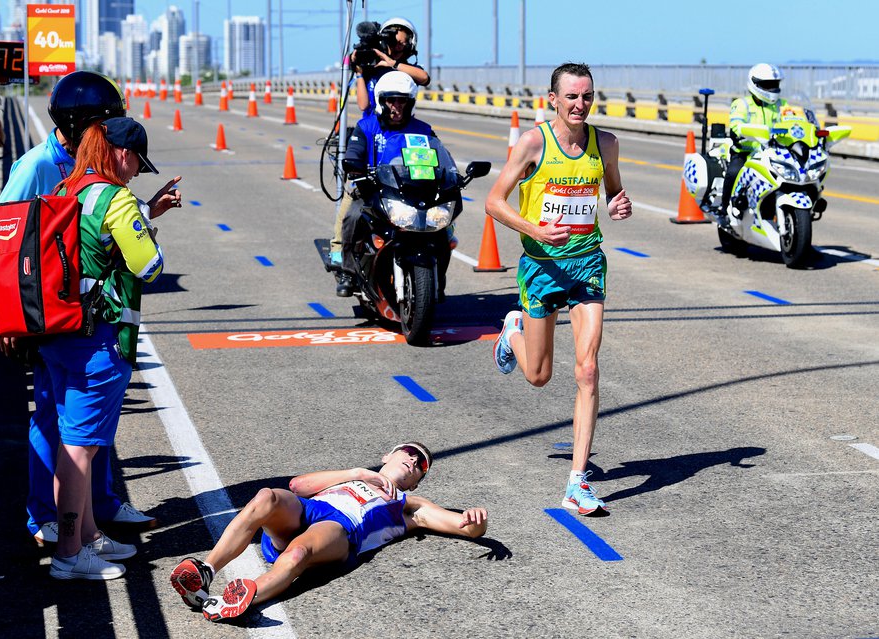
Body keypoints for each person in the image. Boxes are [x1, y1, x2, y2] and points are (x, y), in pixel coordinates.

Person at [0, 71, 182, 547]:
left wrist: (146, 211)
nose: (110, 132)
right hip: (44, 312)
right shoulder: (36, 167)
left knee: (86, 420)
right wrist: (4, 316)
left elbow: (94, 233)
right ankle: (45, 516)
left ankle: (102, 504)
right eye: (105, 123)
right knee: (54, 414)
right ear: (83, 125)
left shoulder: (85, 168)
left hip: (74, 310)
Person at [484, 62, 633, 516]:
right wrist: (535, 229)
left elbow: (613, 192)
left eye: (586, 96)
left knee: (588, 369)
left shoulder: (605, 143)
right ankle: (513, 331)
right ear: (553, 99)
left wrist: (618, 203)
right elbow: (493, 203)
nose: (579, 104)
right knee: (539, 375)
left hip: (587, 262)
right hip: (542, 264)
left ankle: (576, 482)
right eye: (571, 96)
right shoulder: (534, 142)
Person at [46, 116, 170, 579]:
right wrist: (146, 227)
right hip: (98, 338)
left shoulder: (67, 188)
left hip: (60, 332)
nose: (137, 170)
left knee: (76, 440)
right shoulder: (116, 198)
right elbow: (150, 267)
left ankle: (90, 535)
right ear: (120, 153)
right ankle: (69, 551)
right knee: (79, 448)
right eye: (137, 159)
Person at [169, 442, 488, 622]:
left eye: (422, 464)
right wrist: (358, 473)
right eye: (409, 451)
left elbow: (465, 527)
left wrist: (475, 521)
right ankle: (205, 570)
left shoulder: (409, 503)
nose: (414, 459)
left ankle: (238, 600)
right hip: (310, 510)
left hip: (342, 530)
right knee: (267, 497)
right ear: (388, 456)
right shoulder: (351, 477)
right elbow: (297, 486)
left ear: (417, 481)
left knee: (298, 552)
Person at [334, 70, 436, 295]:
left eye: (402, 101)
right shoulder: (367, 126)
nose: (396, 107)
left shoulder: (422, 130)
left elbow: (437, 158)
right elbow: (354, 152)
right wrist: (354, 166)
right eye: (391, 100)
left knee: (442, 227)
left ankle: (436, 277)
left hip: (412, 193)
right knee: (352, 218)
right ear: (381, 101)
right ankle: (348, 272)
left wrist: (450, 176)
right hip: (373, 191)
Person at [721, 63, 789, 216]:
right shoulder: (742, 104)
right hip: (746, 153)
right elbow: (736, 125)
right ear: (755, 84)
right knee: (734, 173)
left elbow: (794, 122)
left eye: (775, 84)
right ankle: (725, 211)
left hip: (775, 153)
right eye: (768, 85)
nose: (772, 89)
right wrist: (742, 131)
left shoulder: (782, 105)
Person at [351, 17, 429, 117]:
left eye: (401, 43)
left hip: (402, 127)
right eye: (392, 42)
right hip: (374, 127)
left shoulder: (409, 71)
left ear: (410, 44)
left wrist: (393, 64)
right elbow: (363, 106)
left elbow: (424, 78)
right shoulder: (372, 68)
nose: (396, 47)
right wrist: (359, 72)